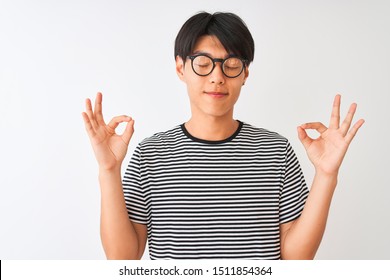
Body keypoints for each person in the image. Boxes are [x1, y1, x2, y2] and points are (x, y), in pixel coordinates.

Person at [82, 12, 364, 260]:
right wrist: (108, 170)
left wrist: (327, 175)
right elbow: (122, 258)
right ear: (181, 68)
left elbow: (297, 258)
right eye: (203, 63)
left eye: (230, 65)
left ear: (245, 73)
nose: (217, 76)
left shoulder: (275, 150)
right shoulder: (151, 153)